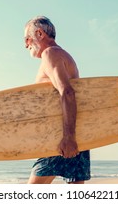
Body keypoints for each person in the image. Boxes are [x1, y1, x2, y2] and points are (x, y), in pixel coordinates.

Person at [24, 16, 90, 184]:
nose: (26, 44)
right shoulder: (63, 55)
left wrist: (68, 138)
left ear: (39, 33)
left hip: (61, 136)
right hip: (75, 135)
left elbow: (67, 92)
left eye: (27, 38)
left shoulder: (50, 53)